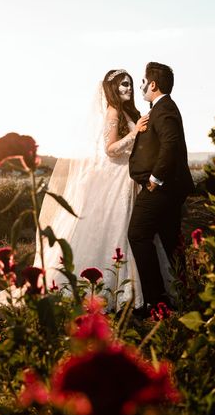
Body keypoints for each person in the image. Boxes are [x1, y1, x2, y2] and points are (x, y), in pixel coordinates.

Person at [35, 68, 173, 312]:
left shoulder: (129, 112)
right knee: (116, 229)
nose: (128, 89)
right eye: (123, 85)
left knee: (133, 231)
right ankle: (117, 292)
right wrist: (134, 132)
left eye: (130, 84)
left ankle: (137, 291)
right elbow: (110, 149)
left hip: (129, 177)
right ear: (111, 89)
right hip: (115, 177)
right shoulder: (113, 112)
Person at [128, 62, 194, 317]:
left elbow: (171, 144)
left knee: (138, 234)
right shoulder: (162, 108)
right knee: (170, 241)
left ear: (153, 84)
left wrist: (155, 178)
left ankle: (155, 301)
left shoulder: (164, 109)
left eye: (143, 82)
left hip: (162, 189)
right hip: (170, 189)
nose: (141, 86)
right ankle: (183, 295)